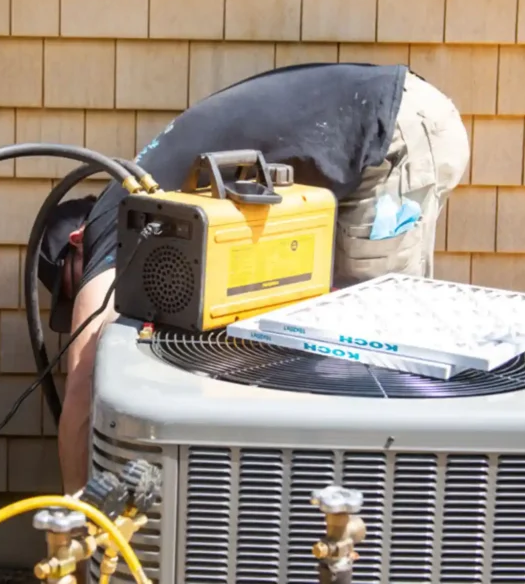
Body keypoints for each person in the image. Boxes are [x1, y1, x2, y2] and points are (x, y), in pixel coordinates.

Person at [36, 62, 470, 492]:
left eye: (71, 284)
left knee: (370, 349)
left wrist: (81, 533)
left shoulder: (113, 215)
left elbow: (82, 381)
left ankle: (389, 507)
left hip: (394, 128)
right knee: (333, 335)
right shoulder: (161, 197)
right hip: (380, 120)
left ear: (78, 240)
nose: (79, 294)